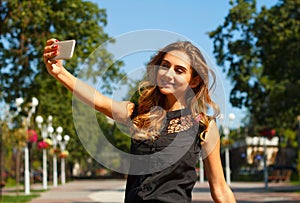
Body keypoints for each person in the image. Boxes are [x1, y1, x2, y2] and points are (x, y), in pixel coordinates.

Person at [43, 39, 236, 203]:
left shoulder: (203, 126)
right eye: (165, 66)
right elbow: (98, 100)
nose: (169, 74)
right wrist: (59, 72)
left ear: (193, 81)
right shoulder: (137, 114)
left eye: (179, 70)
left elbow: (220, 189)